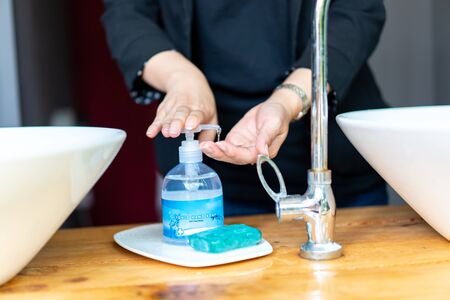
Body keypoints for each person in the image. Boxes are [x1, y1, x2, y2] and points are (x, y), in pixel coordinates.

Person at [102, 0, 388, 216]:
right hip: (202, 187)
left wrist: (286, 101)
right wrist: (181, 77)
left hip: (335, 175)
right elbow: (126, 13)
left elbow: (357, 13)